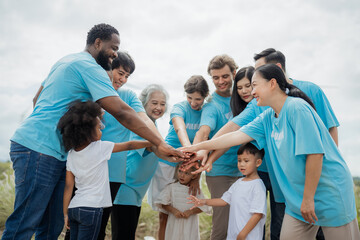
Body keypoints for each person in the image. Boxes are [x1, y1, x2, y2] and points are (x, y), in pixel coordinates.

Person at [2, 23, 183, 240]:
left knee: (52, 225)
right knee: (26, 221)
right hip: (38, 149)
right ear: (98, 43)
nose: (115, 53)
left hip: (57, 152)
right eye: (113, 47)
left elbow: (36, 99)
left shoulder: (65, 60)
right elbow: (122, 112)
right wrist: (159, 143)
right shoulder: (90, 67)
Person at [181, 64, 359, 240]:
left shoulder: (297, 108)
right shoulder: (267, 117)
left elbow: (315, 154)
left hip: (328, 193)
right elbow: (235, 135)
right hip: (297, 200)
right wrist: (198, 148)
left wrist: (308, 198)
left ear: (272, 83)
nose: (251, 92)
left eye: (255, 85)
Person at [59, 101, 151, 240]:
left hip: (74, 207)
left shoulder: (71, 154)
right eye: (99, 127)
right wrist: (154, 142)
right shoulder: (100, 148)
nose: (102, 129)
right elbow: (130, 145)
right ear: (87, 132)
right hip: (92, 208)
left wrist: (65, 213)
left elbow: (68, 186)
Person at [96, 51, 162, 240]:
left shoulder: (128, 96)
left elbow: (142, 119)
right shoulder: (94, 92)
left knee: (104, 228)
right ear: (109, 68)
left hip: (115, 173)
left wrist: (160, 143)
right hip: (94, 168)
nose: (123, 79)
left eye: (127, 76)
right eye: (120, 73)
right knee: (88, 226)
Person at [147, 75, 210, 240]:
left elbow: (205, 140)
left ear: (205, 96)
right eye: (189, 97)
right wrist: (189, 149)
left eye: (198, 99)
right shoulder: (179, 107)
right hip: (168, 162)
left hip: (191, 164)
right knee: (165, 212)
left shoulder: (208, 112)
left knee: (184, 209)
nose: (193, 102)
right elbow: (179, 128)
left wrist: (196, 175)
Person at [109, 84, 170, 240]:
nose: (159, 107)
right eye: (154, 103)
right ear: (144, 104)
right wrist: (169, 153)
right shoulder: (140, 125)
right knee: (123, 235)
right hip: (126, 188)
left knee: (127, 234)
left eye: (162, 104)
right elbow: (151, 148)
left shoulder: (153, 126)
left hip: (135, 192)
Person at [191, 54, 240, 240]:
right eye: (216, 77)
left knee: (244, 223)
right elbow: (203, 132)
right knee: (222, 226)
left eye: (225, 76)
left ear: (234, 73)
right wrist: (196, 153)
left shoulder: (243, 97)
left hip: (246, 169)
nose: (221, 81)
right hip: (220, 172)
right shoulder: (211, 105)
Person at [188, 143, 267, 240]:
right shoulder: (238, 183)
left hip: (249, 236)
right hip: (234, 235)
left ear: (258, 162)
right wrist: (203, 201)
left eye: (246, 161)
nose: (241, 164)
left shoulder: (258, 186)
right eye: (239, 160)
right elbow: (224, 201)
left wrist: (242, 234)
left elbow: (258, 214)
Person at [155, 161, 211, 240]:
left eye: (187, 173)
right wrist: (173, 211)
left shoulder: (195, 190)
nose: (182, 175)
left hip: (190, 223)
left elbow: (203, 206)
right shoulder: (171, 188)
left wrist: (191, 212)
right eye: (180, 171)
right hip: (174, 222)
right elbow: (163, 203)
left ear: (194, 176)